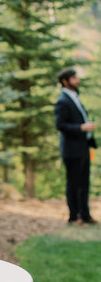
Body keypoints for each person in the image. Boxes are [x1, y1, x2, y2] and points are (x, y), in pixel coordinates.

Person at [54, 67, 97, 225]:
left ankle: (85, 214)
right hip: (71, 150)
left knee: (84, 183)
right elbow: (60, 125)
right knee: (73, 184)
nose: (77, 80)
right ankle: (74, 217)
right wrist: (81, 128)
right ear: (65, 81)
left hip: (83, 147)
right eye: (74, 78)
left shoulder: (75, 97)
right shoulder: (62, 100)